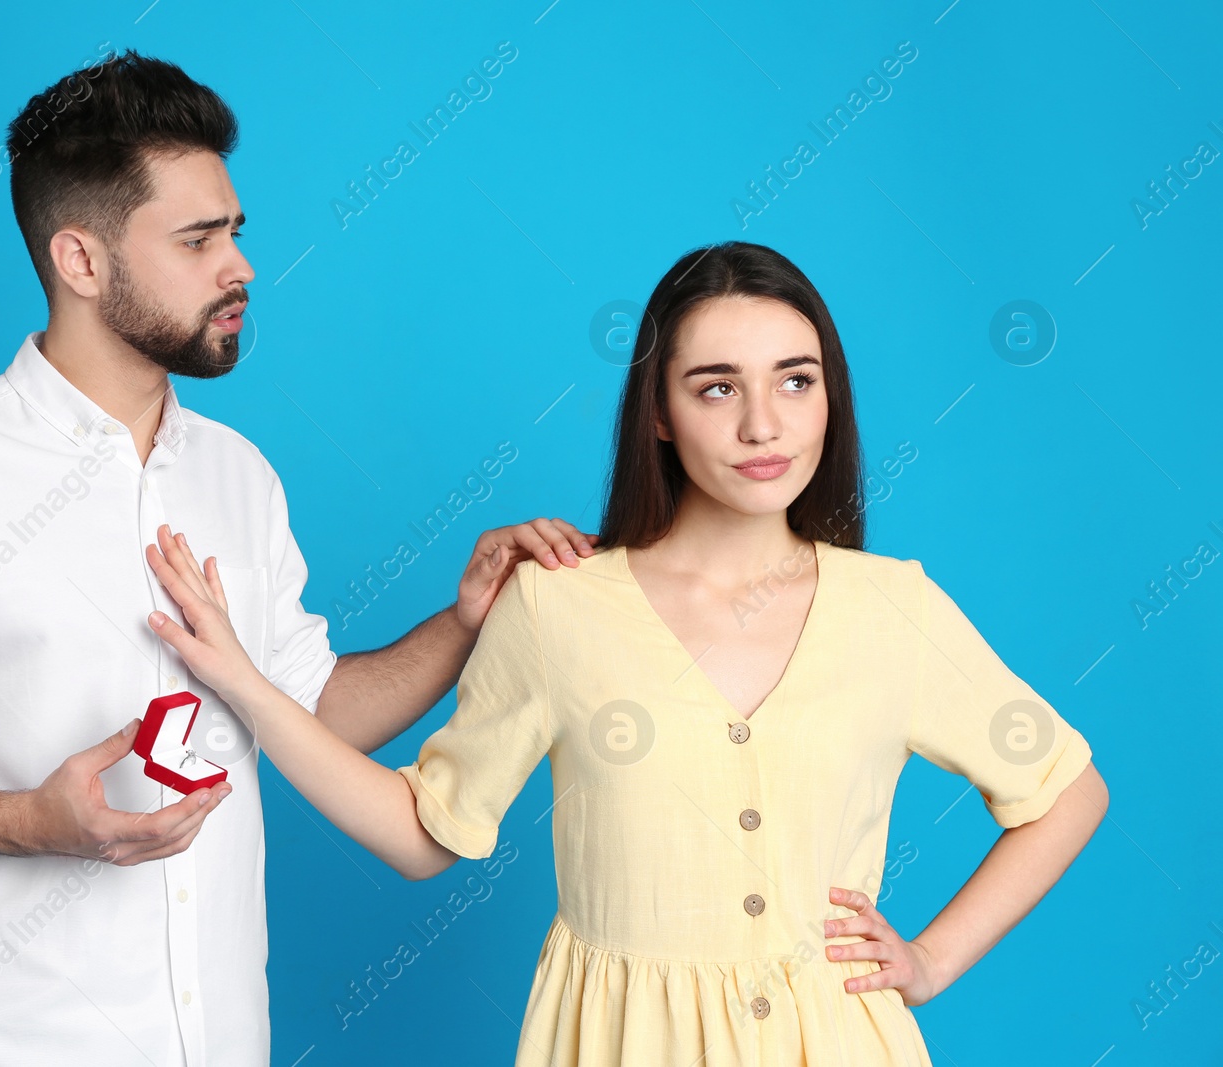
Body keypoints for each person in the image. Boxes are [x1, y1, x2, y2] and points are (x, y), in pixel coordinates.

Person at [0, 49, 595, 1067]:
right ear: (81, 261)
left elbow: (304, 708)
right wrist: (28, 822)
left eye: (235, 231)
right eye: (198, 239)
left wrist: (464, 624)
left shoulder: (239, 473)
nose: (240, 266)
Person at [139, 241, 1110, 1065]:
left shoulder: (892, 605)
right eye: (716, 385)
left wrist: (931, 959)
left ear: (828, 398)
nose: (761, 423)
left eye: (795, 380)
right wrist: (247, 686)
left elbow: (1068, 790)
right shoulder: (560, 605)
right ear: (658, 410)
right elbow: (422, 831)